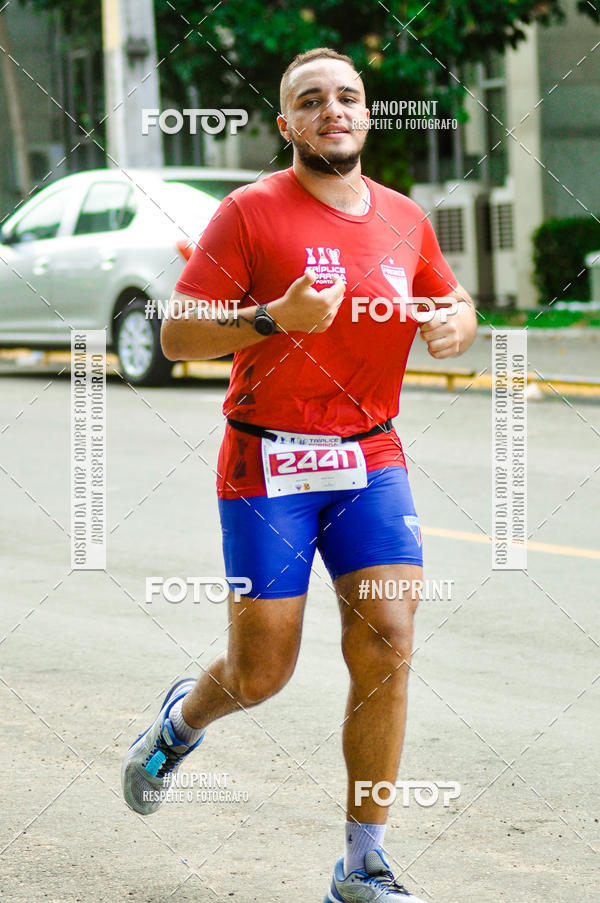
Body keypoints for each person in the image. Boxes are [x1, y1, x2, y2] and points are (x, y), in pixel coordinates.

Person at [121, 46, 477, 902]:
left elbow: (452, 297)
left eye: (348, 97)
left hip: (369, 454)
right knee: (261, 673)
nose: (334, 110)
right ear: (287, 125)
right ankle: (180, 721)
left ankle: (362, 864)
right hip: (266, 458)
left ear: (366, 114)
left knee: (389, 639)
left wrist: (457, 321)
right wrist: (273, 317)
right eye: (311, 100)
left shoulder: (403, 217)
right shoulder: (248, 214)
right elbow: (177, 334)